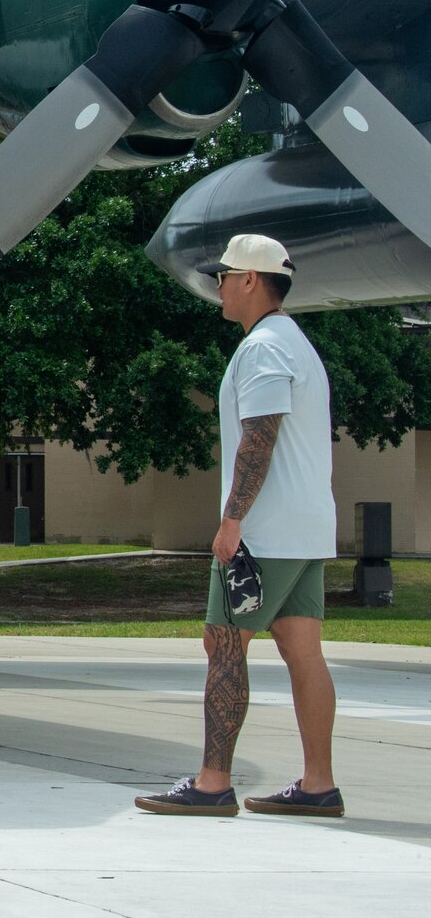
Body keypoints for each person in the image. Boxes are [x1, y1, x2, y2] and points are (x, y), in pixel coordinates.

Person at [136, 234, 344, 819]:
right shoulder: (294, 342)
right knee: (304, 650)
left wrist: (232, 522)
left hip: (265, 532)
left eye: (225, 275)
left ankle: (211, 783)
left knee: (224, 642)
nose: (219, 286)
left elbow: (260, 438)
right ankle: (318, 784)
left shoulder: (264, 349)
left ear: (251, 280)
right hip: (305, 531)